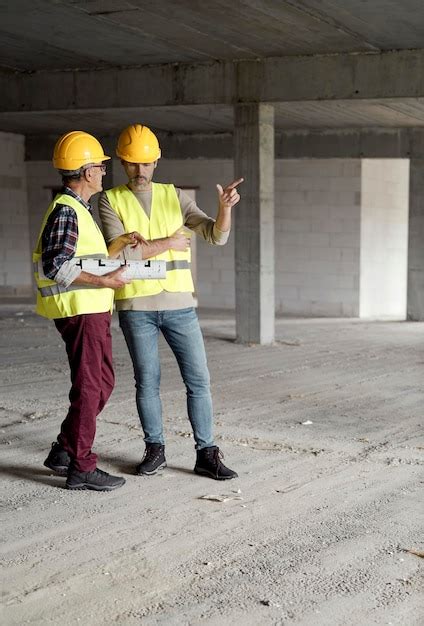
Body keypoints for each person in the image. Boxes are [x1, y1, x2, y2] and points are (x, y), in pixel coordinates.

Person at [99, 123, 243, 480]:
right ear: (121, 161)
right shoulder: (110, 200)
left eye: (146, 163)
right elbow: (124, 254)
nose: (140, 170)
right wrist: (167, 242)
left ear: (157, 160)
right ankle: (155, 450)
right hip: (136, 308)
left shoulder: (174, 196)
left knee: (198, 380)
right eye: (132, 163)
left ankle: (206, 453)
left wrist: (224, 209)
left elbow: (214, 236)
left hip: (180, 306)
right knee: (147, 381)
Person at [34, 130, 144, 491]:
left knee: (103, 383)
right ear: (85, 172)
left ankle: (65, 451)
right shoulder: (66, 211)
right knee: (89, 387)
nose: (103, 172)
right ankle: (81, 466)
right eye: (99, 166)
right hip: (80, 312)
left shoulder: (78, 209)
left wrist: (119, 244)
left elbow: (86, 260)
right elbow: (57, 265)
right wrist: (107, 283)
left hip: (93, 310)